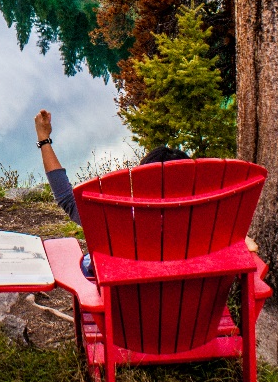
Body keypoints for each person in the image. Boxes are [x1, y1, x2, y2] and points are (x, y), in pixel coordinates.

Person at [34, 109, 191, 275]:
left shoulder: (118, 222)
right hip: (188, 296)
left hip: (124, 298)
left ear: (143, 183)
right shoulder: (205, 223)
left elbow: (67, 199)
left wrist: (44, 139)